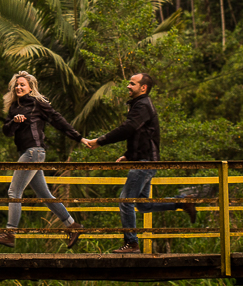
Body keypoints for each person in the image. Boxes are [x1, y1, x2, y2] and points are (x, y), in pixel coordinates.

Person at [84, 73, 198, 254]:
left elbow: (127, 129)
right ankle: (182, 202)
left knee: (125, 200)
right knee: (143, 205)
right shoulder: (139, 105)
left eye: (132, 84)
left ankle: (131, 243)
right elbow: (139, 134)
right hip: (143, 160)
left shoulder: (143, 105)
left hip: (145, 163)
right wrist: (129, 155)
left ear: (143, 88)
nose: (128, 86)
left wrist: (100, 141)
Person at [0, 71, 90, 250]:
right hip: (28, 153)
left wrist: (79, 138)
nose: (18, 87)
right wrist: (15, 121)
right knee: (45, 195)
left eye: (22, 85)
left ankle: (10, 234)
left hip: (33, 152)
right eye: (16, 85)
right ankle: (73, 226)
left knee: (14, 191)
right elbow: (7, 131)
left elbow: (58, 121)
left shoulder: (38, 103)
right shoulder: (13, 107)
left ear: (30, 87)